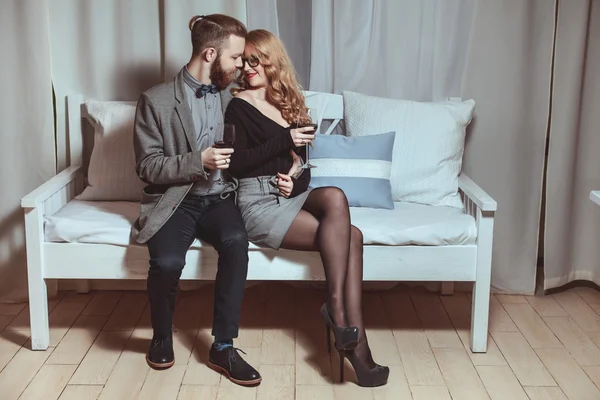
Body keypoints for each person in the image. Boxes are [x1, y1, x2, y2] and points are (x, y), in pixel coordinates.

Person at [224, 29, 389, 387]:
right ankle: (353, 340)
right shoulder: (238, 104)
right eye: (244, 61)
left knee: (335, 198)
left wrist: (294, 180)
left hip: (289, 194)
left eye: (256, 60)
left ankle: (344, 321)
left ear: (272, 61)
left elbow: (301, 167)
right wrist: (284, 140)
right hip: (256, 201)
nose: (248, 68)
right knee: (353, 238)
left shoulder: (290, 101)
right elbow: (235, 164)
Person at [132, 14, 261, 386]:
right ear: (209, 54)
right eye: (236, 58)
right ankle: (161, 334)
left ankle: (223, 345)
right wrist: (197, 161)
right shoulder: (155, 101)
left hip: (220, 198)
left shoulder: (229, 97)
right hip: (177, 199)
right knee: (168, 262)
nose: (241, 66)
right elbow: (147, 166)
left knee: (238, 243)